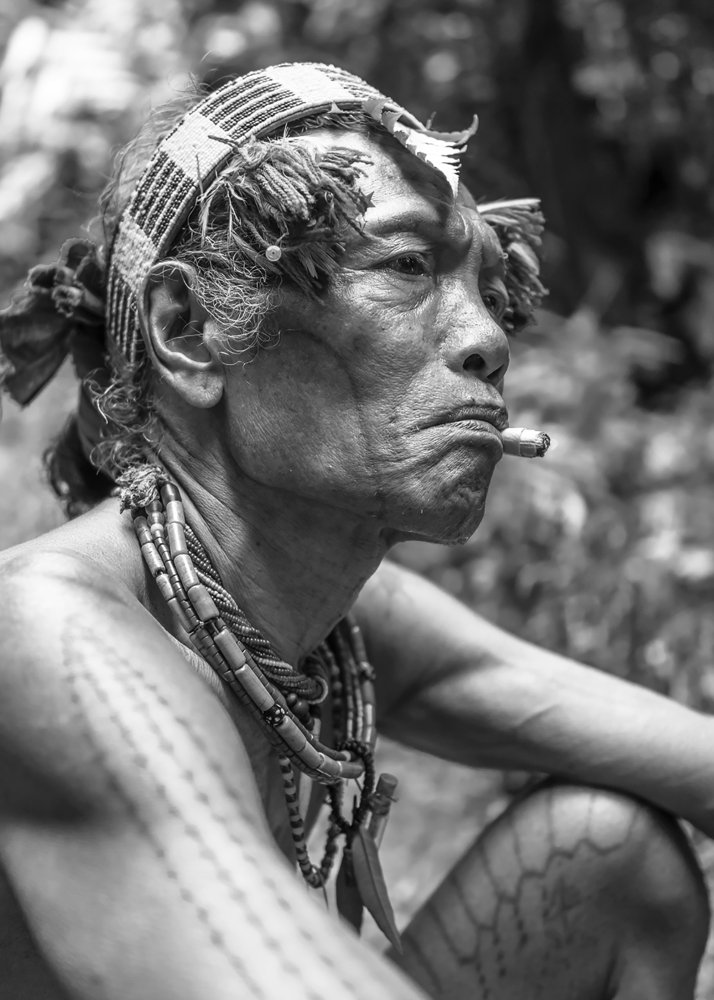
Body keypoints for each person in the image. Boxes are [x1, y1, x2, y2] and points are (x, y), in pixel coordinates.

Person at [0, 62, 710, 1000]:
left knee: (608, 859)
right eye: (409, 265)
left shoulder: (336, 625)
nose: (489, 340)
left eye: (491, 289)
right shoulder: (55, 644)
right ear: (191, 328)